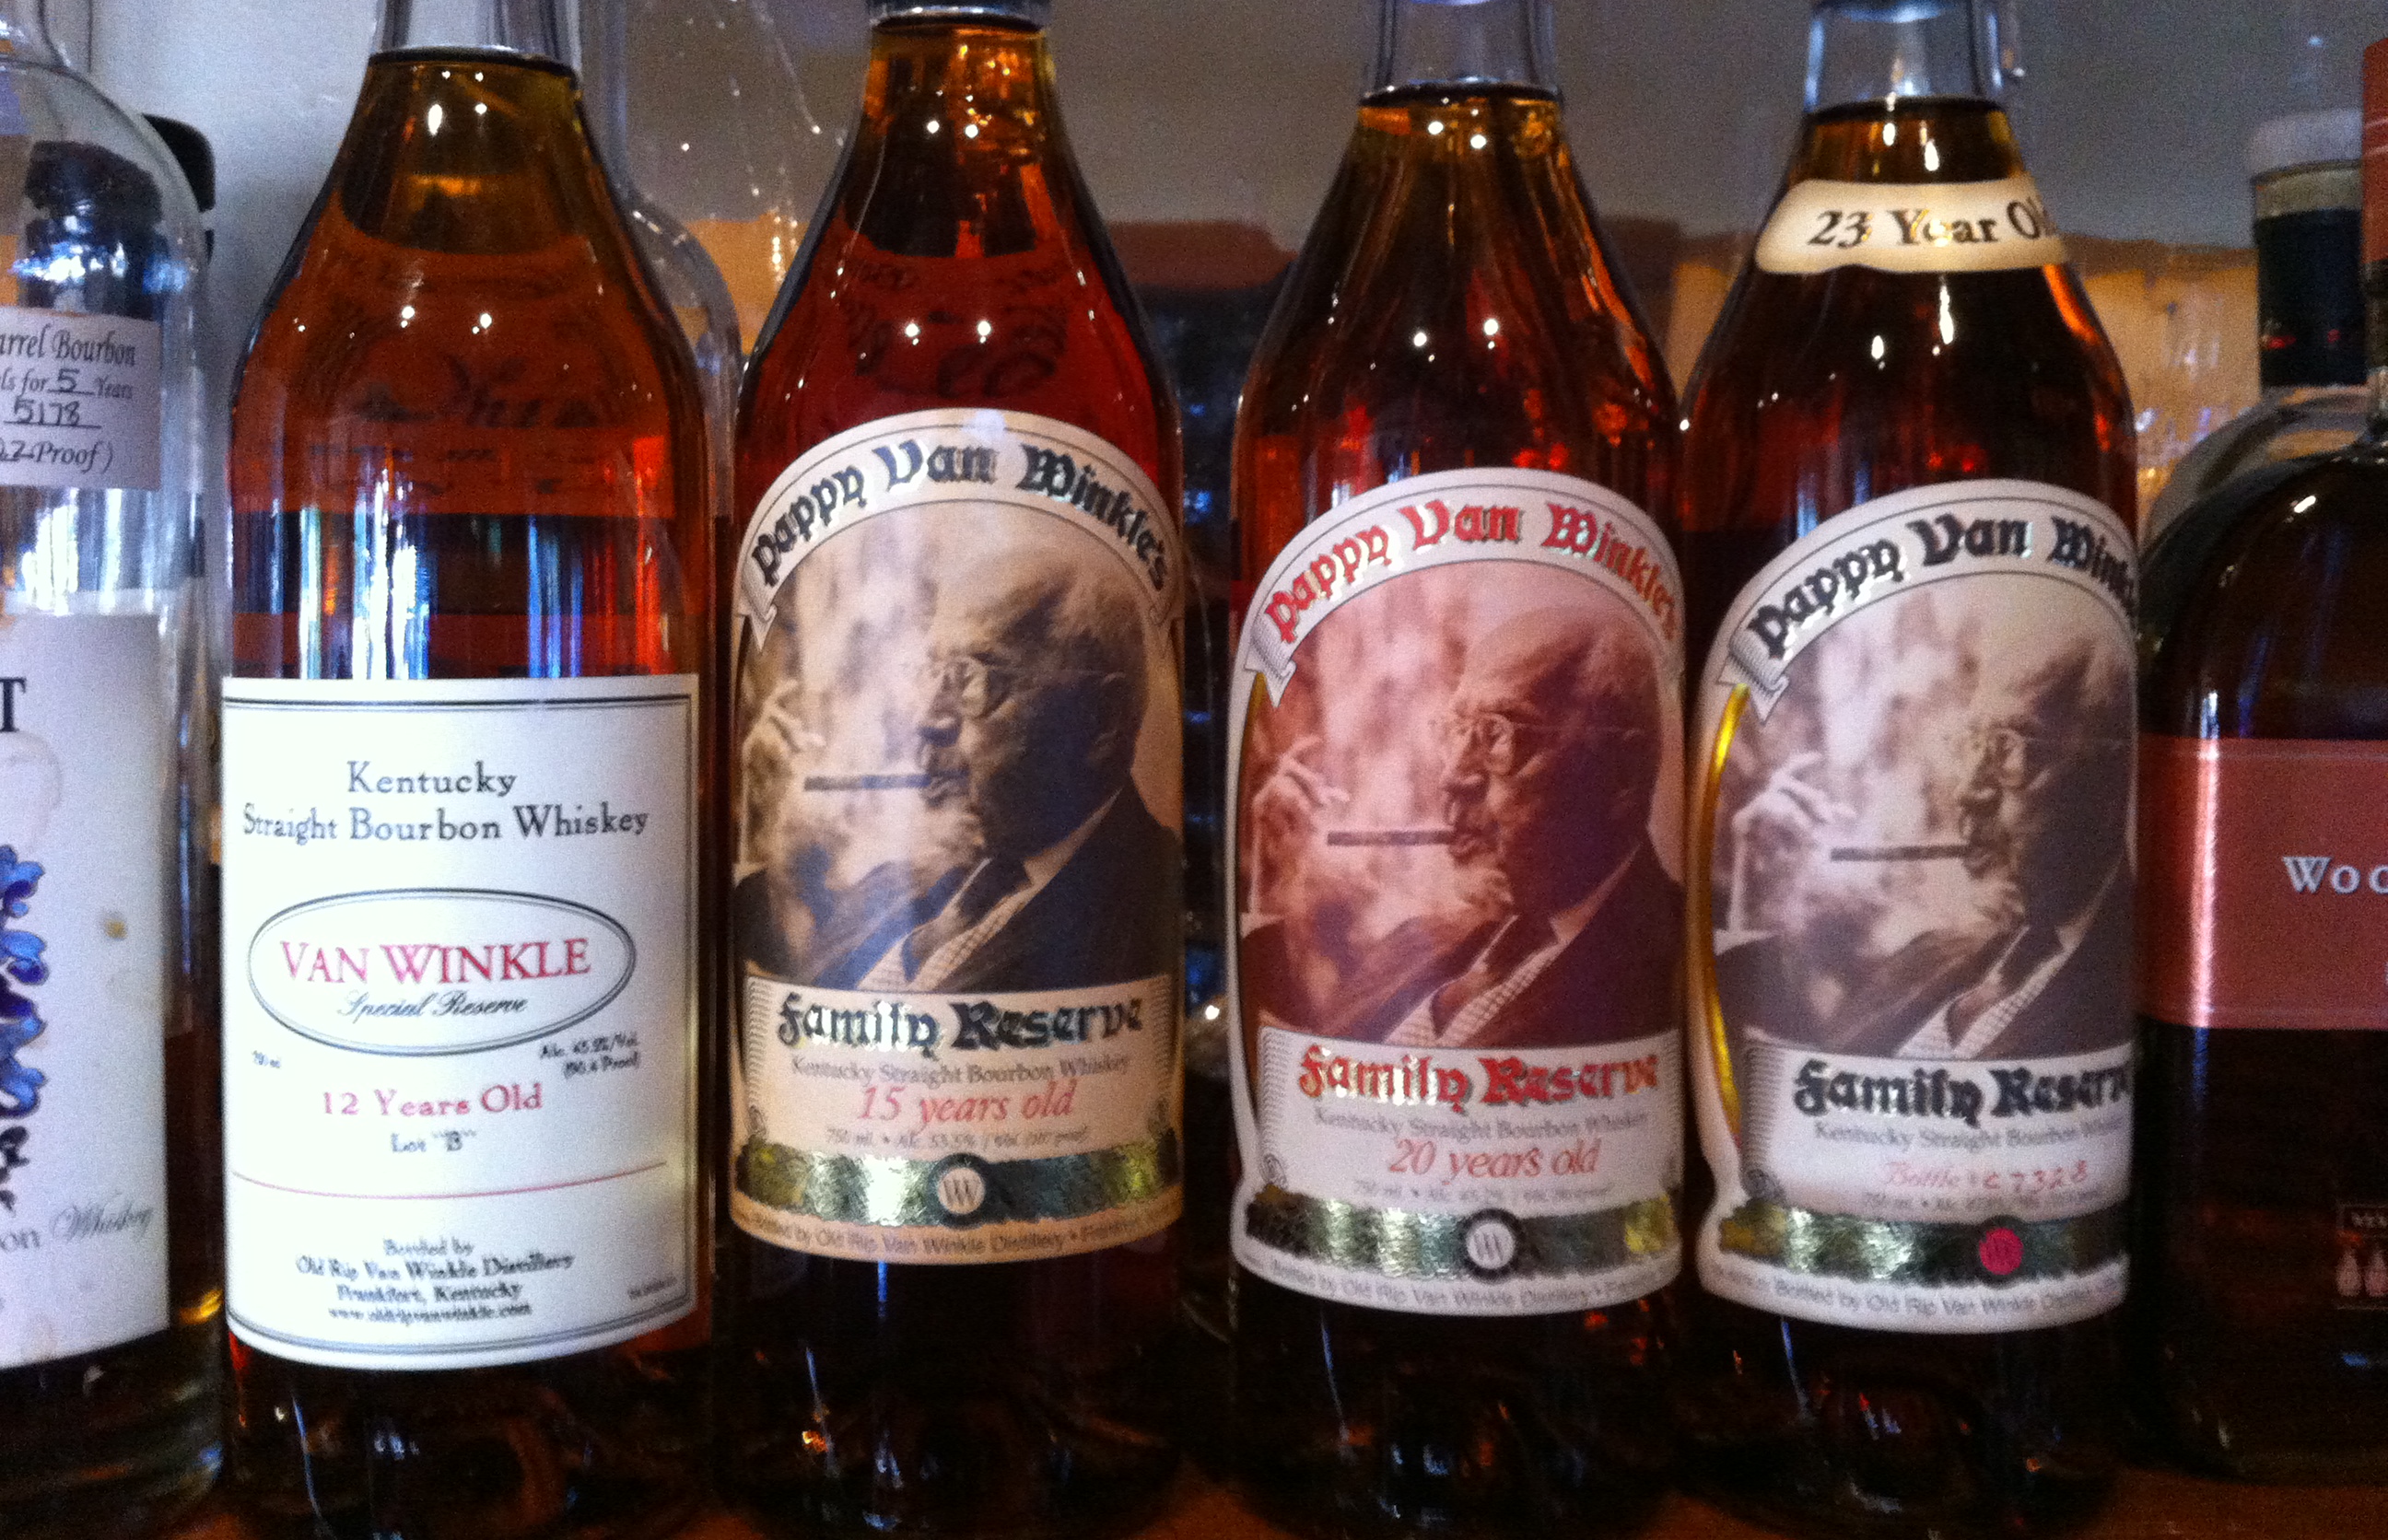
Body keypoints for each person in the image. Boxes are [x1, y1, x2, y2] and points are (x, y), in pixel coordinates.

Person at [1242, 601, 1680, 1053]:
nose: (1452, 777)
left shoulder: (1664, 962)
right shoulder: (1420, 940)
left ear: (1620, 774)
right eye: (1455, 730)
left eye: (1498, 736)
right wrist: (1279, 888)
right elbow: (1305, 1051)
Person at [740, 548, 1178, 993]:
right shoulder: (915, 876)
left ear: (1101, 718)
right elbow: (794, 973)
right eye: (933, 671)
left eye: (971, 679)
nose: (927, 720)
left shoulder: (1148, 906)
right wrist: (784, 857)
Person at [1716, 630, 2133, 1063]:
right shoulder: (1932, 955)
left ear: (2108, 781)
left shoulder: (2117, 989)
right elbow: (1797, 1077)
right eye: (1971, 743)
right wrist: (1758, 914)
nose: (1967, 792)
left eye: (2006, 750)